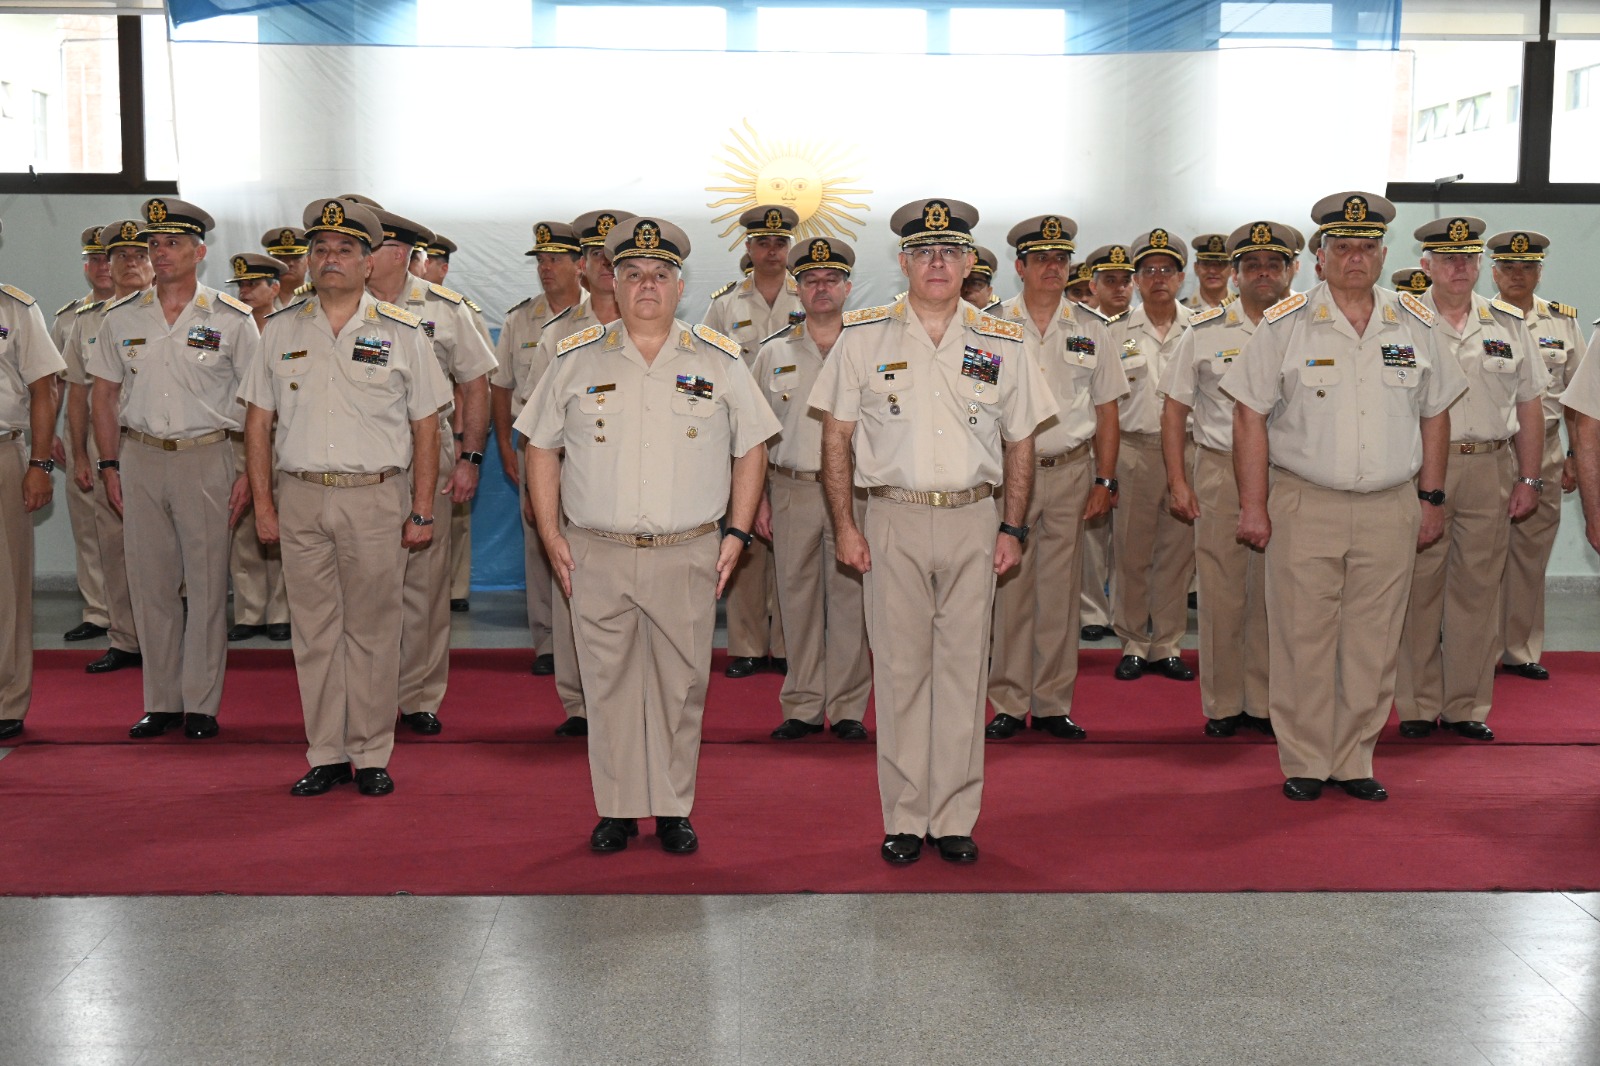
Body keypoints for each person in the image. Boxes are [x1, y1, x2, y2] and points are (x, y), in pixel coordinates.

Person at [519, 215, 778, 855]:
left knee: (680, 686)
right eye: (632, 273)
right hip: (597, 551)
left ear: (680, 285)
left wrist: (738, 534)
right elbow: (541, 446)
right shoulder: (575, 358)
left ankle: (671, 807)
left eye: (659, 275)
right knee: (605, 688)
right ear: (613, 280)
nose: (645, 286)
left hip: (686, 549)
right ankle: (617, 808)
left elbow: (753, 448)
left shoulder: (718, 359)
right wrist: (551, 533)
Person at [812, 197, 1056, 865]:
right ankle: (904, 817)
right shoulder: (863, 337)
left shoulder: (1002, 342)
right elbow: (835, 438)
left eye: (950, 251)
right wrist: (844, 524)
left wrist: (1013, 525)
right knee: (897, 673)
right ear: (904, 262)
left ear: (973, 262)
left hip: (976, 519)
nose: (938, 262)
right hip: (890, 517)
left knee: (961, 673)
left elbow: (1021, 441)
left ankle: (953, 816)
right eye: (925, 252)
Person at [1225, 190, 1466, 802]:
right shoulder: (1286, 324)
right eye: (1342, 248)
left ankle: (1354, 757)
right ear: (1319, 257)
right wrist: (1253, 504)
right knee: (1302, 636)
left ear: (1384, 255)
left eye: (1366, 248)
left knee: (1374, 639)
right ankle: (1305, 758)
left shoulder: (1416, 323)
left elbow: (1436, 414)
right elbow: (1249, 414)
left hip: (1391, 505)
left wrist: (1431, 497)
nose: (1354, 258)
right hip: (1307, 502)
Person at [240, 197, 449, 797]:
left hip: (375, 498)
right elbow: (258, 423)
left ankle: (371, 752)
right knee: (315, 631)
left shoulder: (403, 333)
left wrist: (422, 508)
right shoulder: (279, 329)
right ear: (306, 262)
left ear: (368, 263)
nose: (331, 258)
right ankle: (327, 752)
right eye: (321, 250)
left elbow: (425, 425)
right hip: (301, 496)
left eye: (346, 250)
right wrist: (264, 504)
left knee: (375, 631)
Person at [89, 198, 261, 741]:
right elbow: (104, 394)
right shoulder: (121, 316)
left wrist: (248, 472)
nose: (160, 253)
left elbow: (259, 403)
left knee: (209, 585)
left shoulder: (230, 320)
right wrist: (110, 463)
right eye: (154, 244)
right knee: (151, 583)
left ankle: (202, 704)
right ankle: (161, 701)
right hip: (139, 457)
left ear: (199, 252)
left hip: (207, 456)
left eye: (172, 244)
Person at [1394, 217, 1546, 742]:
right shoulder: (1403, 322)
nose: (1459, 266)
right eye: (1447, 258)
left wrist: (1529, 477)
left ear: (1480, 264)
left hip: (1490, 466)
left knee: (1478, 591)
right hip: (1420, 470)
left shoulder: (1507, 323)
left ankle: (1466, 706)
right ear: (1426, 266)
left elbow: (1531, 405)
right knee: (1417, 589)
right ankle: (1415, 704)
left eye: (1467, 258)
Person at [984, 213, 1125, 742]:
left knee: (1060, 591)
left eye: (1061, 259)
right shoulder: (991, 325)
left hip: (1069, 471)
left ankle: (1050, 702)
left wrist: (1105, 480)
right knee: (1010, 587)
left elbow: (1106, 408)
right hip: (1007, 474)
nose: (1052, 267)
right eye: (1041, 258)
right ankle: (1007, 699)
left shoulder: (1092, 328)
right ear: (1019, 266)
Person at [1159, 221, 1303, 737]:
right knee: (1221, 592)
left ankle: (1264, 703)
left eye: (1273, 264)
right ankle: (1223, 704)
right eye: (1251, 266)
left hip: (1288, 473)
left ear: (1293, 270)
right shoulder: (1204, 332)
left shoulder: (1308, 327)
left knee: (1276, 593)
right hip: (1220, 468)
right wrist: (1178, 479)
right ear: (1235, 275)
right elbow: (1175, 410)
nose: (1262, 273)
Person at [361, 204, 496, 737]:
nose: (360, 258)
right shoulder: (341, 304)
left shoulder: (444, 307)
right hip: (362, 454)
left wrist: (469, 457)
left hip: (428, 450)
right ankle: (366, 693)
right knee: (367, 583)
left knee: (422, 584)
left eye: (370, 248)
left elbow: (475, 385)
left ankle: (417, 696)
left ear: (398, 254)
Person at [514, 208, 632, 737]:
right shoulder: (558, 334)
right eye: (596, 256)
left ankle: (632, 696)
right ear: (582, 265)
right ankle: (580, 704)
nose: (607, 265)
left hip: (642, 483)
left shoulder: (666, 329)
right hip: (575, 485)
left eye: (617, 256)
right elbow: (538, 425)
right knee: (574, 592)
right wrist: (539, 497)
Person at [750, 236, 872, 742]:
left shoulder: (870, 348)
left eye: (831, 280)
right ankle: (801, 704)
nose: (821, 288)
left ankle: (846, 707)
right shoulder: (773, 352)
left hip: (856, 493)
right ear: (797, 289)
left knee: (850, 601)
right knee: (795, 598)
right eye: (811, 280)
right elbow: (753, 434)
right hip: (793, 488)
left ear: (848, 287)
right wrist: (756, 497)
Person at [701, 203, 799, 679]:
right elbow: (707, 367)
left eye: (780, 243)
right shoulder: (725, 305)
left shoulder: (809, 296)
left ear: (790, 247)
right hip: (740, 439)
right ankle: (746, 644)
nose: (772, 250)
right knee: (744, 537)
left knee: (790, 542)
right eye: (763, 242)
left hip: (794, 434)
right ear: (748, 247)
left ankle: (784, 643)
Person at [1488, 230, 1585, 681]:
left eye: (1527, 267)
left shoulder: (1562, 324)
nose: (1518, 275)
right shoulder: (1480, 320)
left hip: (1544, 446)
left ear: (1540, 272)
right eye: (1509, 267)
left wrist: (1574, 458)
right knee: (1479, 552)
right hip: (1491, 448)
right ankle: (1476, 648)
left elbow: (1582, 399)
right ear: (1494, 271)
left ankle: (1519, 648)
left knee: (1530, 552)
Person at [489, 220, 584, 678]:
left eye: (555, 260)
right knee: (540, 541)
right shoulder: (519, 319)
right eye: (541, 261)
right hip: (535, 446)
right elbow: (502, 389)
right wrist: (509, 449)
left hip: (589, 448)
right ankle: (546, 640)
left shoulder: (604, 315)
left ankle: (585, 635)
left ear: (579, 264)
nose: (546, 268)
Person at [1108, 229, 1196, 682]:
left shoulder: (1200, 327)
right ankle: (1133, 641)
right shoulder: (1115, 332)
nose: (1158, 278)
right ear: (1136, 280)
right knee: (1132, 552)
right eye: (1148, 271)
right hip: (1134, 451)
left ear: (1182, 277)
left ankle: (1167, 642)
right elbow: (1100, 403)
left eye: (1167, 270)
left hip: (1188, 452)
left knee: (1178, 554)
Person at [66, 221, 150, 676]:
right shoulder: (87, 322)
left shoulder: (178, 315)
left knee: (169, 553)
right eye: (121, 257)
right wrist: (83, 455)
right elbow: (78, 394)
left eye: (140, 255)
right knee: (114, 549)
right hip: (110, 455)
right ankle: (125, 638)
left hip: (161, 451)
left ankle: (166, 637)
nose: (130, 264)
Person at [0, 218, 67, 741]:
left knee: (7, 585)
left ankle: (6, 700)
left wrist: (39, 464)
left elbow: (45, 389)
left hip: (2, 455)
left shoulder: (14, 309)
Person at [223, 253, 290, 643]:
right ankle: (250, 610)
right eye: (241, 285)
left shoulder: (293, 324)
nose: (246, 291)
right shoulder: (227, 324)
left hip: (283, 438)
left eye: (254, 284)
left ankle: (281, 610)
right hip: (239, 437)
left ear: (275, 287)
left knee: (283, 522)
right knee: (243, 524)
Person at [57, 225, 114, 645]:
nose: (101, 267)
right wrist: (51, 440)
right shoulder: (69, 319)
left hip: (132, 430)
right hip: (85, 431)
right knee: (89, 527)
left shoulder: (145, 313)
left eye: (107, 258)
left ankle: (161, 605)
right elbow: (55, 383)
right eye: (93, 259)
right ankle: (98, 611)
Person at [1077, 242, 1135, 643]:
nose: (1118, 288)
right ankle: (1092, 610)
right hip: (1089, 445)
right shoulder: (1084, 328)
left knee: (1131, 539)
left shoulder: (1147, 327)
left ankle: (1126, 611)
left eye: (1124, 280)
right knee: (1094, 538)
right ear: (1092, 286)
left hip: (1136, 445)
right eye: (1108, 281)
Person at [1183, 233, 1235, 310]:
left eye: (1220, 264)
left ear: (1231, 269)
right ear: (1196, 268)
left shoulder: (1244, 307)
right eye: (1206, 264)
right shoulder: (1181, 310)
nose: (1212, 271)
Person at [261, 227, 309, 308]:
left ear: (308, 261)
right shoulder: (260, 300)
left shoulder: (320, 297)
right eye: (281, 258)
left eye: (296, 257)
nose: (289, 263)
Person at [961, 246, 1001, 310]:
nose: (967, 290)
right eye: (962, 283)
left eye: (976, 284)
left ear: (989, 292)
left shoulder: (1003, 317)